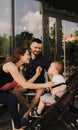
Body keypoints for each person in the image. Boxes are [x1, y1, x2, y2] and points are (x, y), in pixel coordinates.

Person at [0, 46, 55, 130]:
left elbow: (25, 84)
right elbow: (25, 85)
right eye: (27, 54)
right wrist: (44, 84)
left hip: (2, 91)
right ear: (20, 56)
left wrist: (36, 75)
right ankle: (18, 127)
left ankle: (19, 124)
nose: (29, 56)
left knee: (12, 99)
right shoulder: (10, 66)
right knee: (12, 99)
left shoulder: (18, 69)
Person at [22, 38, 50, 121]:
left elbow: (50, 72)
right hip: (27, 83)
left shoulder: (44, 59)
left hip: (39, 84)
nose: (37, 50)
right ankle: (31, 109)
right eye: (35, 47)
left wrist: (53, 82)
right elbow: (20, 68)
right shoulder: (26, 57)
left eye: (39, 48)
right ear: (31, 46)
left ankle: (26, 114)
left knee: (41, 91)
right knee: (15, 92)